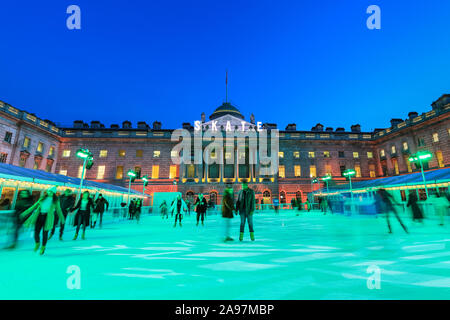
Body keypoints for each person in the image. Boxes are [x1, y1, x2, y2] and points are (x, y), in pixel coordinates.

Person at [20, 186, 65, 255]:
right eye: (49, 191)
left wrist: (62, 218)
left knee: (45, 233)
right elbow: (34, 206)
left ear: (54, 193)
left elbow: (59, 210)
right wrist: (25, 213)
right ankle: (37, 243)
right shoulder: (42, 198)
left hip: (48, 218)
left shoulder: (55, 201)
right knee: (36, 232)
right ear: (47, 191)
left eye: (52, 192)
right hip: (39, 216)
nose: (50, 193)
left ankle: (43, 247)